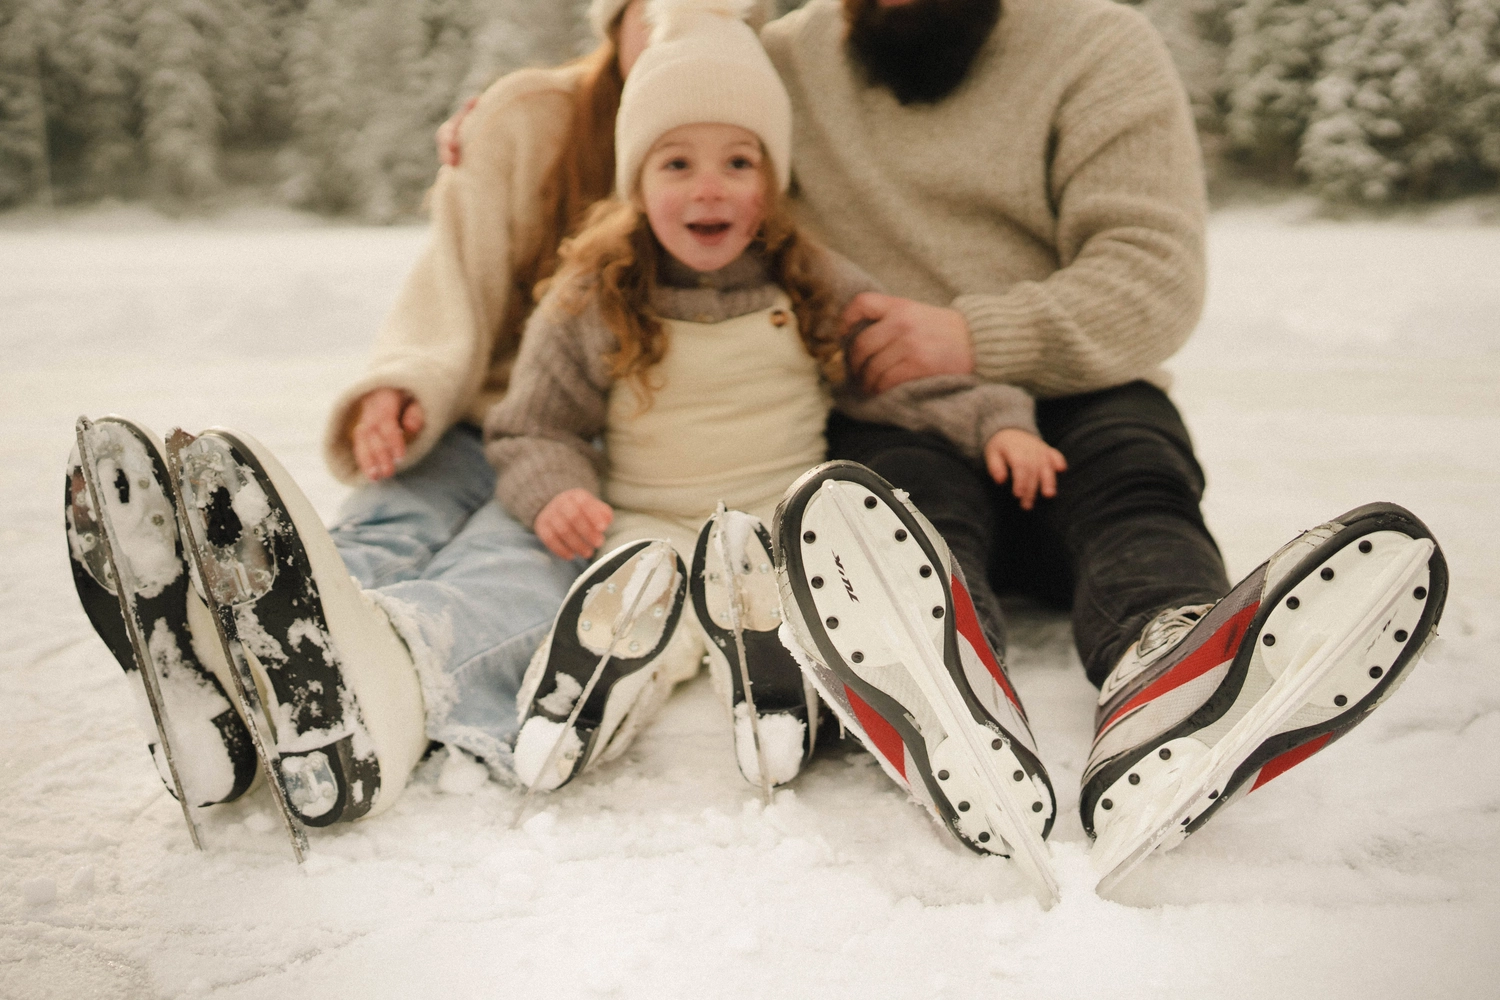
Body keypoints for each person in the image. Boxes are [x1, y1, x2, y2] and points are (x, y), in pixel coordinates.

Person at [64, 0, 659, 830]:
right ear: (617, 15)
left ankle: (395, 660)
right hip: (480, 412)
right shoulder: (533, 118)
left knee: (514, 557)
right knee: (389, 519)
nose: (680, 26)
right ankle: (213, 655)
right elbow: (457, 271)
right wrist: (408, 384)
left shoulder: (747, 128)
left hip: (601, 445)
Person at [481, 0, 1064, 805]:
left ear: (773, 178)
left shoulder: (809, 277)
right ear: (637, 178)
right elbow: (535, 424)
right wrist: (556, 491)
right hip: (646, 522)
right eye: (676, 164)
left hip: (780, 520)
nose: (708, 188)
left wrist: (996, 421)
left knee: (807, 607)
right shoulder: (596, 291)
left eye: (739, 164)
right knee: (652, 615)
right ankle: (588, 696)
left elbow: (896, 375)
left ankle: (781, 695)